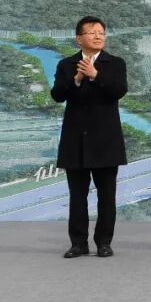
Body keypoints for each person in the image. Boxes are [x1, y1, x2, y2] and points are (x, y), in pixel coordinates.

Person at [51, 16, 128, 259]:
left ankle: (104, 243)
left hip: (106, 141)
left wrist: (95, 75)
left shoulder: (115, 63)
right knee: (77, 197)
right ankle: (78, 243)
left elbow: (119, 91)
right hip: (75, 140)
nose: (98, 36)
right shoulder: (67, 64)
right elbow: (57, 95)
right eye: (92, 32)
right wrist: (76, 79)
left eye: (101, 33)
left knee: (107, 197)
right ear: (79, 38)